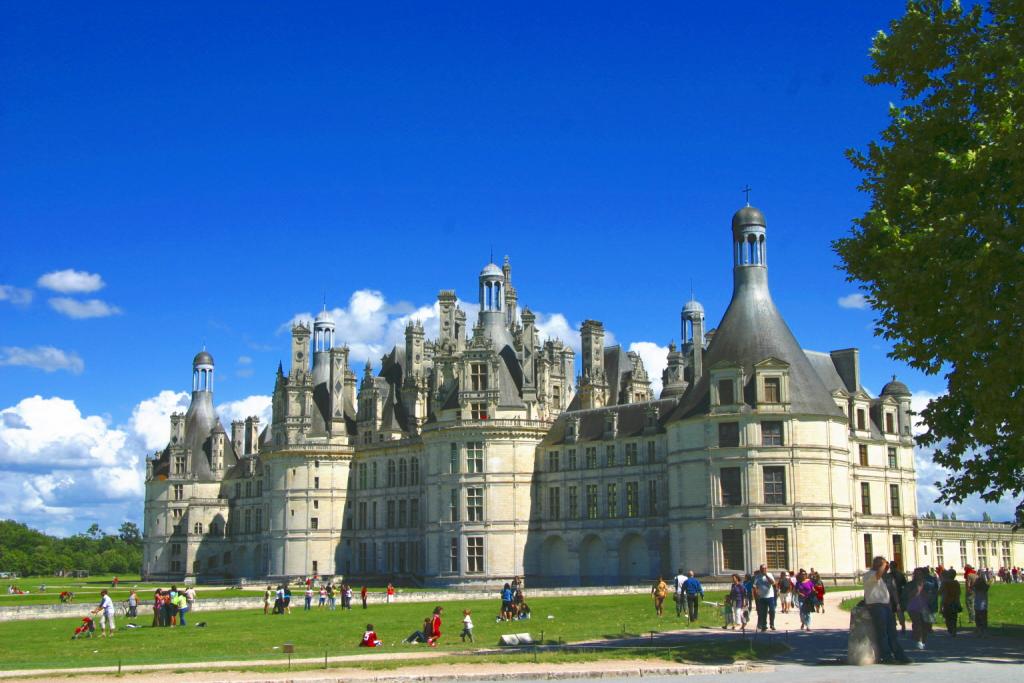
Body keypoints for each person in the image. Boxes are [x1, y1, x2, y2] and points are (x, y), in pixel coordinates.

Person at [863, 556, 910, 664]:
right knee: (882, 633)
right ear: (876, 565)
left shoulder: (884, 577)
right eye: (882, 565)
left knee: (892, 632)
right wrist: (883, 565)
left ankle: (899, 655)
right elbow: (877, 575)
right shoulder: (869, 575)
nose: (885, 568)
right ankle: (886, 656)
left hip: (885, 606)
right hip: (876, 606)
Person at [905, 567, 934, 650]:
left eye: (920, 574)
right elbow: (908, 596)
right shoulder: (910, 584)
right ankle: (919, 640)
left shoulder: (927, 584)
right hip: (913, 606)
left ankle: (922, 640)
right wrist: (916, 591)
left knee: (925, 625)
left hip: (924, 606)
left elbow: (932, 595)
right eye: (916, 574)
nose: (918, 576)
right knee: (917, 624)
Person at [752, 565, 776, 632]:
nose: (764, 570)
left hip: (770, 596)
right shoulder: (757, 577)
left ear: (766, 569)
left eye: (765, 568)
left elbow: (773, 583)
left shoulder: (769, 574)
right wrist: (756, 594)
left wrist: (766, 576)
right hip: (762, 597)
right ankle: (764, 625)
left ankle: (772, 624)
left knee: (772, 610)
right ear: (760, 569)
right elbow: (754, 586)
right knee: (763, 612)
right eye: (762, 568)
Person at [940, 568, 962, 637]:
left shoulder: (945, 582)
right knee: (954, 617)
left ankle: (950, 629)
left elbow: (940, 591)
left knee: (947, 617)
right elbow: (959, 593)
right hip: (955, 601)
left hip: (947, 601)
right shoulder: (956, 583)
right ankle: (954, 629)